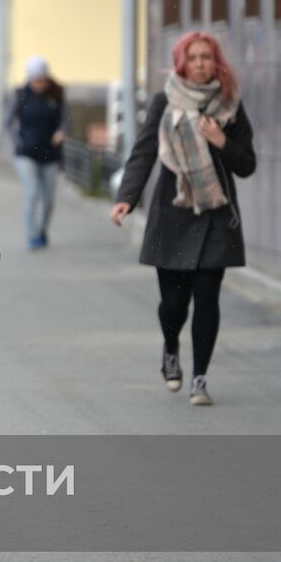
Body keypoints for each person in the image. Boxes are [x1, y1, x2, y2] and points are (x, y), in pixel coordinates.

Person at [111, 31, 256, 407]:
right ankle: (171, 346)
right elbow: (143, 152)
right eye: (193, 58)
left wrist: (221, 141)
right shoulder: (164, 101)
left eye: (206, 57)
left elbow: (248, 164)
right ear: (181, 63)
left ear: (216, 61)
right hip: (172, 212)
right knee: (173, 304)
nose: (200, 64)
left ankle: (200, 379)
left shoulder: (229, 104)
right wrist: (126, 198)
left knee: (208, 298)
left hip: (216, 213)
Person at [7, 56, 67, 250]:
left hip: (50, 152)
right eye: (35, 80)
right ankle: (32, 235)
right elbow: (8, 124)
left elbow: (67, 120)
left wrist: (62, 132)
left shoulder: (56, 94)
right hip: (26, 152)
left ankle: (42, 230)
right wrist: (18, 141)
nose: (39, 84)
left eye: (42, 80)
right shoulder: (21, 95)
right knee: (31, 193)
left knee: (48, 198)